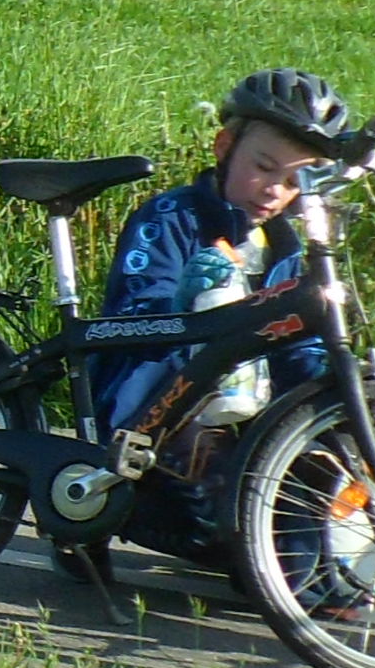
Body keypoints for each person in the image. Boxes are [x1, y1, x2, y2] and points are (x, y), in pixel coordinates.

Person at [67, 68, 348, 590]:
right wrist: (188, 306)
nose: (275, 191)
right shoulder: (170, 219)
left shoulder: (283, 246)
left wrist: (330, 398)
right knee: (227, 514)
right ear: (223, 147)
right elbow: (137, 315)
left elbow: (296, 349)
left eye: (293, 181)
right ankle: (120, 518)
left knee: (315, 470)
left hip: (242, 408)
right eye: (264, 168)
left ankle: (302, 572)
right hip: (157, 402)